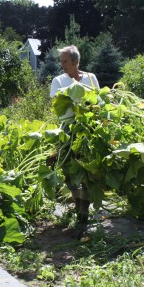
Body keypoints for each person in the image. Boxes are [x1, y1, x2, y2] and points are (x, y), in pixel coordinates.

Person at [50, 45, 100, 238]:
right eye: (61, 62)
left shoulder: (90, 78)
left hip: (88, 130)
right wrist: (78, 98)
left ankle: (83, 212)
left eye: (65, 62)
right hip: (67, 132)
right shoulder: (58, 81)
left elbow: (97, 102)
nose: (62, 65)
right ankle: (77, 204)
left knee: (87, 170)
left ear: (75, 62)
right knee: (70, 171)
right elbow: (58, 105)